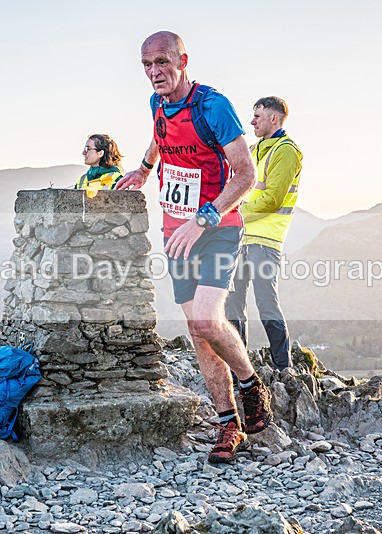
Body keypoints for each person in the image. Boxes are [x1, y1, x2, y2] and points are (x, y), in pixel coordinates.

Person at [116, 31, 273, 464]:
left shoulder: (213, 106)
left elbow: (246, 175)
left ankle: (250, 383)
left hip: (216, 227)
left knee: (207, 317)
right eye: (147, 65)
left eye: (162, 62)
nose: (154, 72)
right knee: (197, 331)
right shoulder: (157, 103)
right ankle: (228, 424)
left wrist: (203, 217)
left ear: (183, 61)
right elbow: (160, 135)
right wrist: (144, 170)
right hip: (175, 232)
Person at [225, 97, 302, 371]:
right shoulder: (254, 149)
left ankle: (283, 369)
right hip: (239, 238)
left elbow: (273, 200)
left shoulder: (286, 151)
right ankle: (239, 368)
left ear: (274, 118)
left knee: (266, 303)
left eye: (257, 116)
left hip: (265, 241)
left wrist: (234, 214)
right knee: (232, 303)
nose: (252, 121)